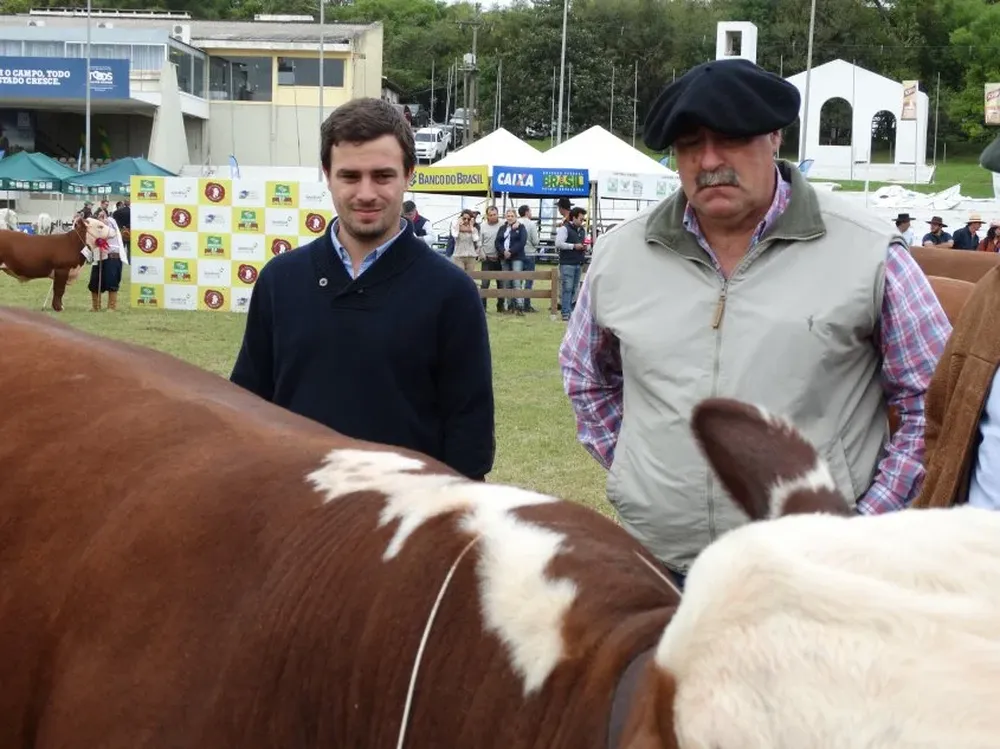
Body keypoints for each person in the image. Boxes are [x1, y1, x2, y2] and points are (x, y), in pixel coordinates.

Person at [558, 58, 951, 584]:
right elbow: (587, 377)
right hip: (658, 565)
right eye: (690, 143)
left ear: (774, 139)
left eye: (731, 139)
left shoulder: (869, 251)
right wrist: (640, 470)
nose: (710, 159)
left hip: (817, 571)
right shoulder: (619, 255)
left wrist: (861, 528)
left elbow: (935, 401)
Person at [230, 97, 495, 481]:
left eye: (383, 176)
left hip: (404, 522)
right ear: (327, 174)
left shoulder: (451, 292)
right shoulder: (280, 280)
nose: (366, 193)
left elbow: (469, 441)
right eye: (350, 176)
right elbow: (247, 408)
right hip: (295, 516)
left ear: (409, 174)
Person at [88, 206, 128, 311]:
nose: (100, 218)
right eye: (98, 216)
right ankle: (95, 306)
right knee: (94, 282)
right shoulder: (94, 226)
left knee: (112, 282)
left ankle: (111, 307)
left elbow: (110, 232)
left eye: (101, 215)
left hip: (112, 256)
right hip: (99, 256)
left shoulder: (111, 222)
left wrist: (103, 223)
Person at [495, 207, 527, 316]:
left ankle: (519, 305)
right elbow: (497, 241)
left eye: (512, 216)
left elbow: (522, 242)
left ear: (515, 217)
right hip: (504, 257)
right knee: (507, 282)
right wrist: (503, 251)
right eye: (508, 216)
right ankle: (509, 305)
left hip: (517, 257)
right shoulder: (502, 228)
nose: (509, 218)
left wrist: (511, 251)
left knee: (516, 281)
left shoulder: (521, 227)